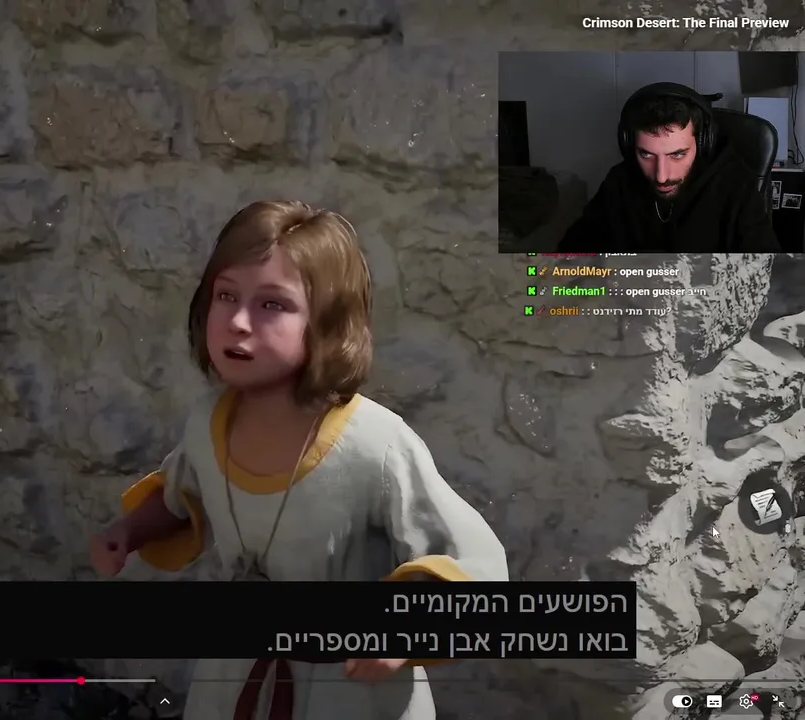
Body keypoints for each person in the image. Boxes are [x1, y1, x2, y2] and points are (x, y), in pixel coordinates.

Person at [89, 201, 509, 719]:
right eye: (226, 295)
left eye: (272, 304)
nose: (238, 322)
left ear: (326, 324)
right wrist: (130, 531)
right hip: (236, 677)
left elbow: (472, 563)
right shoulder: (209, 423)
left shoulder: (375, 444)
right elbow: (183, 497)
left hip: (349, 693)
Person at [558, 82, 780, 252]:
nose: (661, 176)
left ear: (702, 143)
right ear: (628, 145)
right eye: (646, 154)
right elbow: (570, 256)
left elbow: (768, 275)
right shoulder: (619, 182)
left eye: (677, 155)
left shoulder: (736, 184)